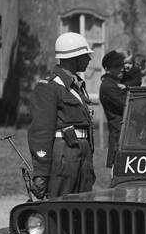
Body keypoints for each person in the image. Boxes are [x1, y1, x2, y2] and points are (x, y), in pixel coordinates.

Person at [28, 32, 96, 199]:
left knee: (85, 206)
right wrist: (41, 173)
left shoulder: (77, 86)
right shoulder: (49, 87)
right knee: (60, 207)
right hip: (64, 155)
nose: (89, 59)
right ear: (73, 57)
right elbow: (41, 131)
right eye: (85, 55)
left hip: (82, 154)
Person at [99, 49, 127, 168]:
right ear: (108, 69)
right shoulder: (108, 86)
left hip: (124, 137)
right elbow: (127, 105)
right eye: (117, 66)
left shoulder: (116, 83)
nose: (122, 69)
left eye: (122, 65)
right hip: (119, 139)